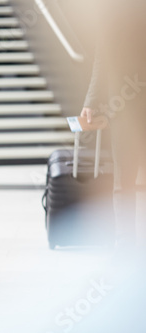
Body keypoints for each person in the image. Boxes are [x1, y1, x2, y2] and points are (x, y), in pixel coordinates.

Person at [80, 0, 146, 251]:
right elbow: (102, 58)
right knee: (124, 177)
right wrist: (91, 101)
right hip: (124, 107)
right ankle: (126, 242)